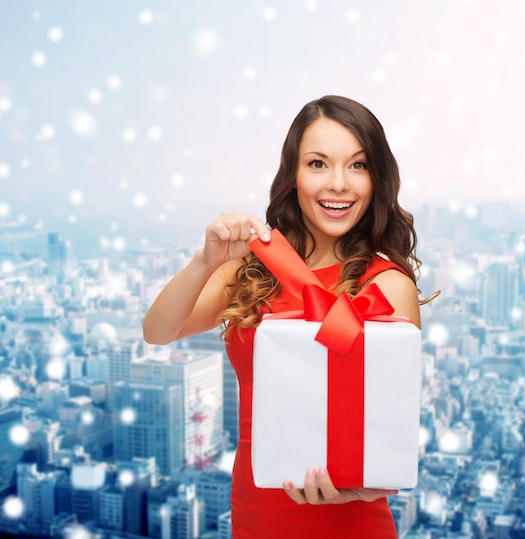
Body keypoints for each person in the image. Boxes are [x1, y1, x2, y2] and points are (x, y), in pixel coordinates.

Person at [144, 95, 427, 538]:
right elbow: (158, 332)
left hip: (350, 523)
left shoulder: (387, 286)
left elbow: (391, 433)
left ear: (377, 179)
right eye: (318, 164)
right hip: (257, 514)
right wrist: (206, 260)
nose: (339, 184)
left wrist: (360, 491)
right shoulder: (251, 269)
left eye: (358, 165)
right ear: (293, 176)